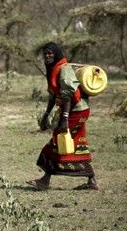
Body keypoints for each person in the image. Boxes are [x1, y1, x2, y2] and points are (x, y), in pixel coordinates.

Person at [27, 42, 99, 191]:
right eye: (45, 54)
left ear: (56, 54)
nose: (47, 56)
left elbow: (68, 95)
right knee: (79, 144)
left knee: (56, 141)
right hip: (77, 110)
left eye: (50, 53)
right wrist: (46, 115)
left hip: (76, 110)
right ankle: (92, 180)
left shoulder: (64, 69)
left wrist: (64, 118)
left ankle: (45, 181)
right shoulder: (53, 69)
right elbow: (53, 96)